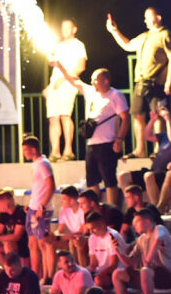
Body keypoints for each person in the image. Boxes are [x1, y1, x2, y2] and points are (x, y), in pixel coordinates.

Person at [55, 61, 129, 206]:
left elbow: (125, 118)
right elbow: (74, 80)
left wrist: (119, 139)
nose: (92, 82)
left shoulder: (115, 95)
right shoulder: (90, 92)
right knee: (91, 180)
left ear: (105, 80)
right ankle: (94, 208)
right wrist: (60, 66)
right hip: (92, 143)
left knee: (109, 179)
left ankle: (112, 209)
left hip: (107, 143)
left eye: (95, 79)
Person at [106, 7, 171, 156]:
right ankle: (140, 149)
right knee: (137, 114)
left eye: (148, 17)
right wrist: (114, 31)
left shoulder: (165, 35)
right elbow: (127, 45)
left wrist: (169, 80)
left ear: (158, 18)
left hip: (156, 82)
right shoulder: (145, 36)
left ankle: (159, 149)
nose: (145, 20)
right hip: (141, 82)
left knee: (157, 115)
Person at [112, 208, 171, 294]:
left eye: (136, 223)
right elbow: (130, 262)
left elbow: (158, 239)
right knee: (118, 274)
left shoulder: (159, 229)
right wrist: (118, 251)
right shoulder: (142, 239)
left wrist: (149, 257)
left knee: (145, 270)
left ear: (147, 221)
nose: (134, 226)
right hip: (149, 276)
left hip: (169, 275)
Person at [45, 19, 87, 161]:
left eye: (68, 27)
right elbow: (55, 66)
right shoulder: (58, 46)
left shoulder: (78, 45)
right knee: (53, 118)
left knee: (65, 115)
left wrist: (64, 79)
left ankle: (68, 151)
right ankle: (55, 152)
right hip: (54, 85)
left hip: (69, 84)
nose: (65, 30)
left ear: (74, 29)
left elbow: (81, 66)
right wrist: (50, 86)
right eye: (63, 27)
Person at [22, 136, 57, 279]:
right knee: (32, 243)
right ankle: (35, 275)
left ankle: (48, 276)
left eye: (26, 150)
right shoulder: (37, 164)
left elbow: (51, 186)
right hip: (34, 207)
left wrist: (42, 206)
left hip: (41, 209)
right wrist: (31, 204)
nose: (24, 153)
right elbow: (39, 187)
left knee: (44, 243)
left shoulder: (43, 164)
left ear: (33, 149)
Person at [0, 190, 29, 264]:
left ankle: (11, 267)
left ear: (6, 204)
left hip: (23, 245)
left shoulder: (21, 212)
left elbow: (17, 236)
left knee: (9, 245)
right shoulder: (4, 214)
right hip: (11, 242)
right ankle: (3, 268)